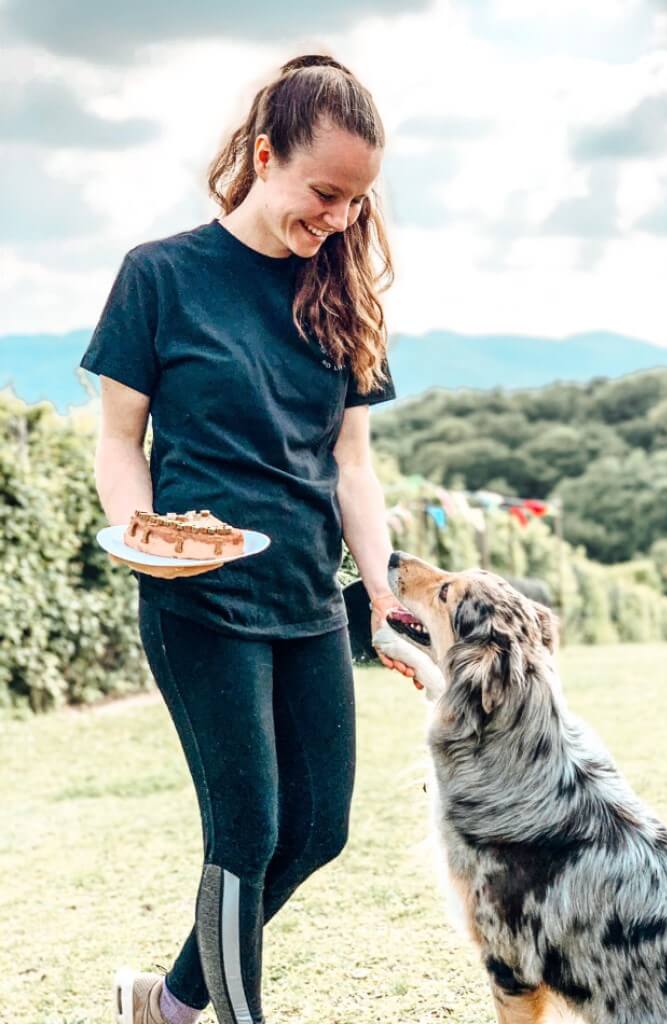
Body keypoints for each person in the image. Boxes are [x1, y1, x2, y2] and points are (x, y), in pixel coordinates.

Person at [80, 54, 421, 1024]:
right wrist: (136, 532)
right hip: (197, 598)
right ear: (264, 155)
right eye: (324, 193)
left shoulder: (346, 297)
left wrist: (379, 586)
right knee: (247, 829)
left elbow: (351, 464)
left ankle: (168, 1003)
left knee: (317, 829)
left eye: (355, 201)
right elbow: (118, 437)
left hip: (308, 601)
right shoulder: (161, 276)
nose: (340, 218)